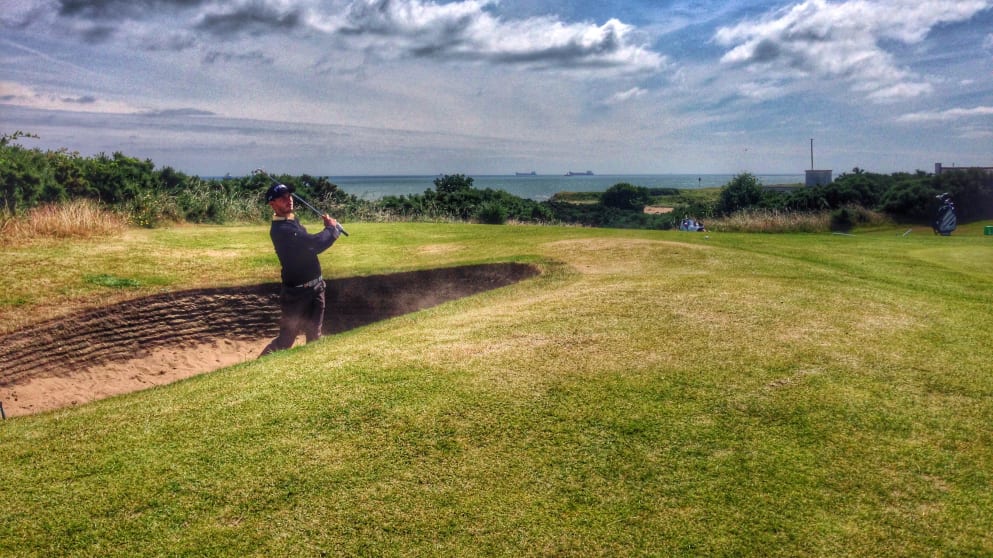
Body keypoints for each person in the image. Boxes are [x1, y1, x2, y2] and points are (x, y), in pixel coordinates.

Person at [259, 183, 341, 357]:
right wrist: (331, 229)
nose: (288, 199)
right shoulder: (282, 230)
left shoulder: (291, 221)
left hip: (317, 288)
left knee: (315, 336)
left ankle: (312, 369)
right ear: (272, 204)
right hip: (296, 295)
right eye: (282, 197)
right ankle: (254, 369)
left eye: (289, 195)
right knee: (286, 340)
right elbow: (314, 244)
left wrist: (328, 227)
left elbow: (308, 242)